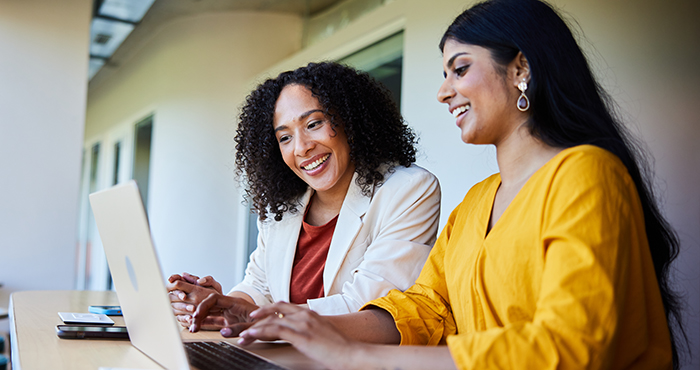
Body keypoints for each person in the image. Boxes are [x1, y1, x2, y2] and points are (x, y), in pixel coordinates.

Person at [190, 0, 687, 369]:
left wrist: (357, 355)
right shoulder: (476, 204)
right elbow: (424, 308)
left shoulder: (585, 173)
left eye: (460, 68)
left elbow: (571, 346)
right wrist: (309, 326)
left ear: (521, 69)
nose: (444, 90)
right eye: (444, 73)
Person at [168, 61, 441, 330]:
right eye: (284, 138)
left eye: (313, 124)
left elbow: (370, 305)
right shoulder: (284, 207)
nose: (301, 148)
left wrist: (255, 315)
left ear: (350, 120)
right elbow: (258, 287)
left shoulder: (409, 189)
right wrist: (220, 305)